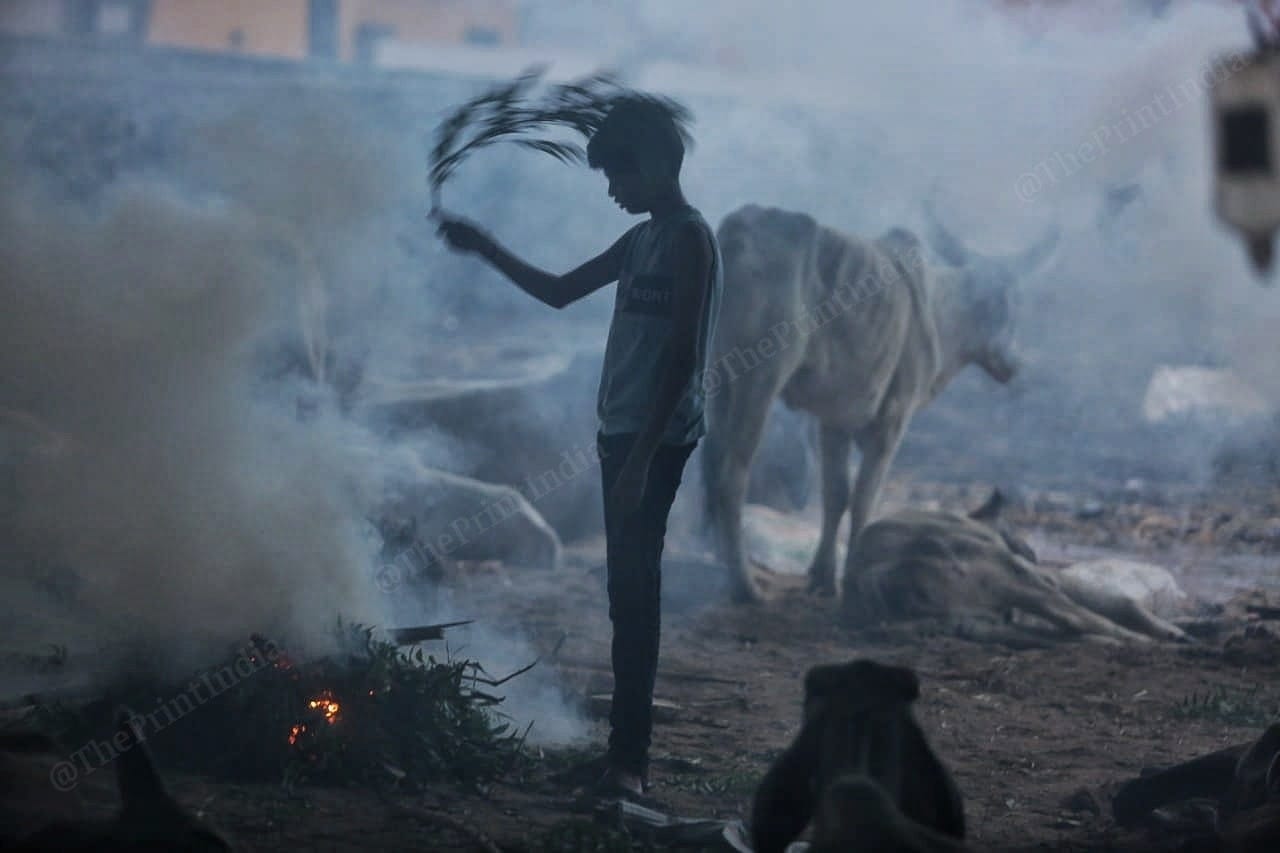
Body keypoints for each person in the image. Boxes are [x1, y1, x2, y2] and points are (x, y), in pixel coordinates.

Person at [434, 95, 723, 799]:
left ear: (654, 166)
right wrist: (487, 247)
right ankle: (622, 755)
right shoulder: (642, 240)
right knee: (625, 593)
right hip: (621, 433)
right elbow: (562, 292)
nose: (612, 190)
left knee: (635, 594)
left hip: (651, 439)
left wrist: (643, 458)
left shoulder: (689, 238)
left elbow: (682, 356)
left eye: (617, 176)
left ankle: (630, 764)